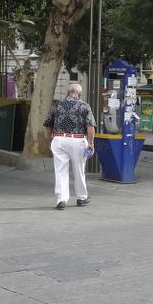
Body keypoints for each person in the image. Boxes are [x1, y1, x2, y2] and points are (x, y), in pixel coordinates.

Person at [45, 81, 96, 209]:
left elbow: (47, 124)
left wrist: (49, 140)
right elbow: (90, 126)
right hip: (77, 140)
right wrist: (91, 143)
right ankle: (81, 197)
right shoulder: (84, 106)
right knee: (79, 169)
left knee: (60, 170)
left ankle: (61, 199)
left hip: (59, 139)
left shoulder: (57, 105)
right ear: (79, 94)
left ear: (68, 92)